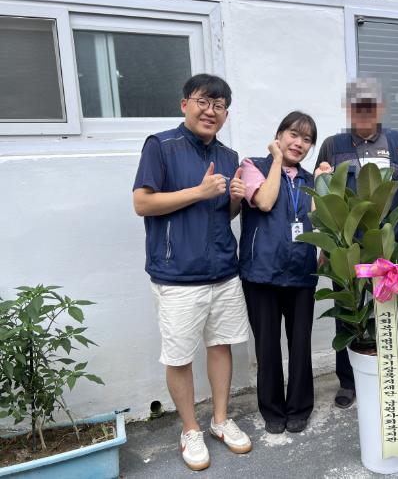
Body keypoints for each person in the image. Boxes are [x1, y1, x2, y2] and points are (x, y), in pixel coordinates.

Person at [132, 73, 252, 471]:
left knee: (221, 345)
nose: (210, 111)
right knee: (179, 356)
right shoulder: (160, 146)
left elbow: (222, 214)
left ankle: (220, 419)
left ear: (226, 114)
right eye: (203, 102)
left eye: (219, 106)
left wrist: (234, 200)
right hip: (177, 274)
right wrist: (198, 192)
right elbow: (142, 203)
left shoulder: (229, 156)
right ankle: (190, 428)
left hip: (223, 270)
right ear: (185, 104)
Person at [314, 77, 398, 409]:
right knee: (349, 311)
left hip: (387, 245)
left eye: (370, 104)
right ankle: (348, 381)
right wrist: (325, 248)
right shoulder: (333, 145)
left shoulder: (397, 141)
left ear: (380, 108)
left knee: (389, 311)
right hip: (348, 248)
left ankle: (389, 373)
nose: (364, 111)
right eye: (357, 105)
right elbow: (324, 199)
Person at [238, 112, 318, 434]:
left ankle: (299, 407)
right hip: (262, 273)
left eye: (307, 140)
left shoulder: (309, 180)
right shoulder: (252, 165)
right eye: (293, 135)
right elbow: (266, 201)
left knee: (300, 345)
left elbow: (320, 221)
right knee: (267, 346)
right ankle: (272, 410)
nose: (299, 143)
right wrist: (275, 161)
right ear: (280, 135)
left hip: (301, 273)